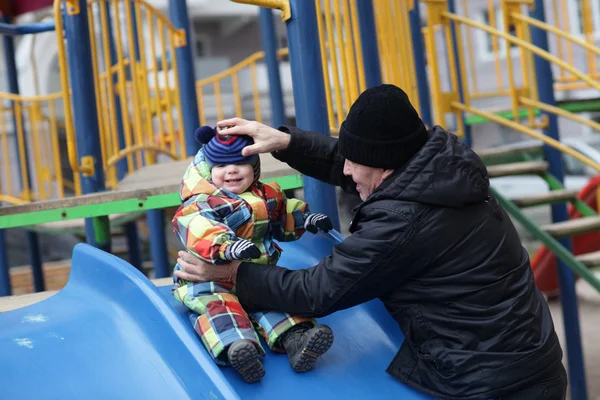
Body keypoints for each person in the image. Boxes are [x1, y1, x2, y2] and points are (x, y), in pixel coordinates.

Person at [174, 84, 567, 399]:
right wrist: (284, 142)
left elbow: (317, 290)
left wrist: (230, 273)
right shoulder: (440, 169)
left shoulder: (404, 221)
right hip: (531, 361)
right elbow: (352, 165)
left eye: (353, 161)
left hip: (492, 383)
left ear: (385, 166)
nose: (344, 170)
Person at [171, 125, 334, 384]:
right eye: (222, 166)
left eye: (240, 163)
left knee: (278, 302)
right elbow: (197, 227)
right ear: (208, 172)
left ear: (255, 167)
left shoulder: (267, 195)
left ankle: (298, 340)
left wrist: (305, 219)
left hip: (255, 276)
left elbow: (283, 215)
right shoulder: (202, 203)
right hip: (210, 281)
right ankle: (238, 349)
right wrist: (226, 245)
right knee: (222, 312)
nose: (232, 170)